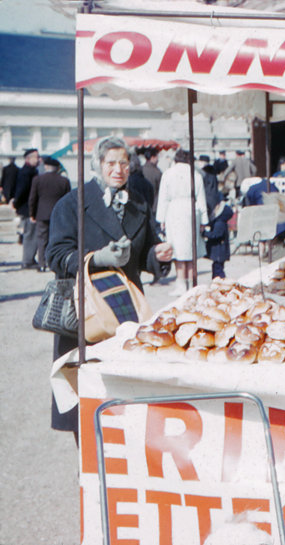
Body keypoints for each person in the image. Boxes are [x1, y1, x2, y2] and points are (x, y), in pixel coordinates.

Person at [47, 136, 173, 437]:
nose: (119, 170)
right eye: (111, 163)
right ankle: (89, 468)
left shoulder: (138, 203)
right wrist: (96, 259)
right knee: (89, 392)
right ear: (98, 165)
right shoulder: (72, 203)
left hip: (125, 308)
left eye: (124, 164)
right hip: (86, 310)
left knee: (124, 392)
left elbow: (144, 254)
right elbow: (54, 255)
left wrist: (157, 255)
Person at [157, 149, 208, 295]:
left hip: (174, 211)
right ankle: (192, 283)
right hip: (192, 209)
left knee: (177, 248)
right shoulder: (196, 174)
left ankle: (181, 284)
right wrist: (204, 219)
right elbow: (201, 198)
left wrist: (161, 218)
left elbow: (163, 197)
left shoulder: (168, 173)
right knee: (191, 249)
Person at [28, 156, 71, 272]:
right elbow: (68, 200)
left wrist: (32, 213)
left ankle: (42, 264)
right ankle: (54, 263)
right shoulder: (64, 181)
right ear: (57, 168)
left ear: (46, 166)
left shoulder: (37, 179)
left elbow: (33, 198)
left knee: (42, 239)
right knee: (56, 240)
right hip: (59, 215)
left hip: (42, 214)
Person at [13, 148, 40, 269]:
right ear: (28, 158)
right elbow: (21, 190)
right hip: (27, 208)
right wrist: (17, 203)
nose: (38, 159)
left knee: (31, 233)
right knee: (30, 234)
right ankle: (28, 260)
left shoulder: (30, 171)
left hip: (27, 207)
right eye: (36, 157)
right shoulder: (27, 172)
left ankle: (29, 259)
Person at [203, 197, 233, 279]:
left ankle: (221, 281)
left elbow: (215, 235)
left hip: (219, 252)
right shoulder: (221, 222)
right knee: (217, 267)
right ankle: (217, 281)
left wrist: (204, 233)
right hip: (220, 252)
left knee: (218, 269)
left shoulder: (219, 223)